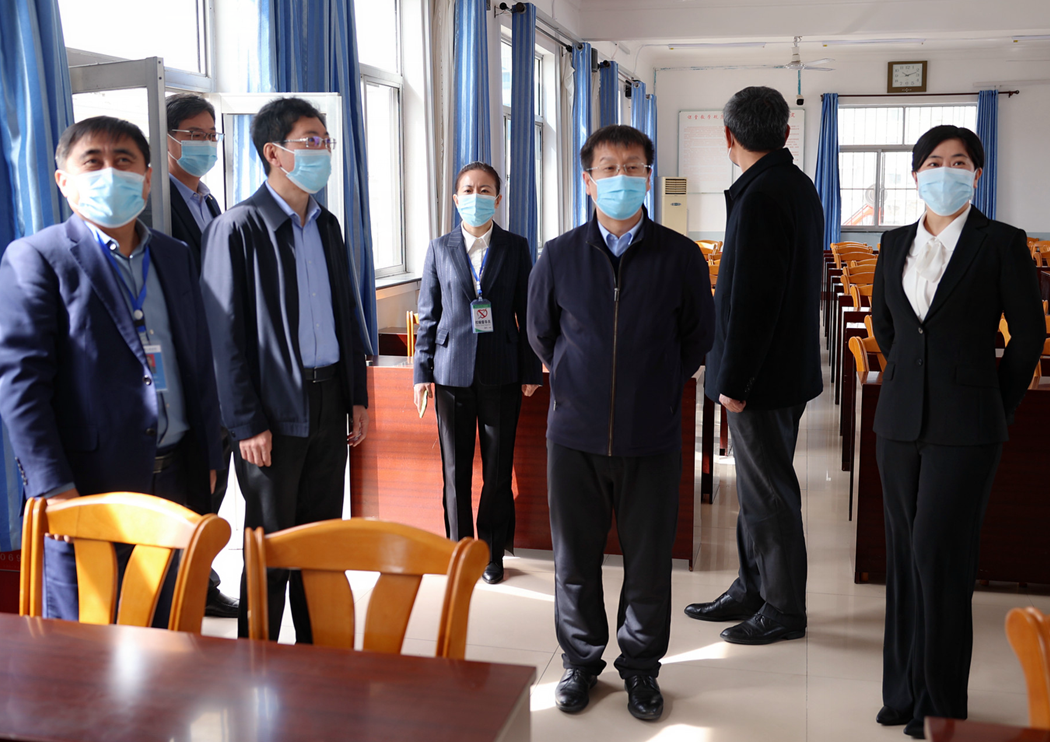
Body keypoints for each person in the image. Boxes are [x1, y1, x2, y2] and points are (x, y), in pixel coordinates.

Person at [0, 116, 224, 624]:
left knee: (170, 636)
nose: (109, 172)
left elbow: (197, 361)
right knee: (90, 647)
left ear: (146, 178)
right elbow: (22, 389)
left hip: (177, 482)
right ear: (64, 181)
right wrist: (54, 489)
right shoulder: (37, 258)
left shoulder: (174, 255)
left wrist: (209, 456)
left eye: (123, 161)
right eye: (92, 162)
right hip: (88, 490)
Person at [527, 124, 714, 722]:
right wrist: (577, 381)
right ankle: (580, 662)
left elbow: (698, 337)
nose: (622, 178)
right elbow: (540, 333)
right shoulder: (558, 255)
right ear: (588, 181)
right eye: (609, 168)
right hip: (573, 437)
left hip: (651, 436)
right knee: (574, 562)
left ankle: (640, 667)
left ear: (648, 178)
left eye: (634, 168)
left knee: (649, 563)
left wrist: (657, 385)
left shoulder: (680, 256)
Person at [870, 125, 1043, 739]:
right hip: (898, 422)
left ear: (977, 174)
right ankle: (901, 692)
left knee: (939, 557)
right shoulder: (894, 243)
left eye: (960, 161)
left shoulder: (1001, 242)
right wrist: (909, 378)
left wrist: (995, 403)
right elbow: (887, 326)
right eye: (935, 162)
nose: (947, 171)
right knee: (902, 556)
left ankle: (939, 703)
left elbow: (1028, 336)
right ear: (916, 174)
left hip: (967, 427)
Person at [200, 97, 370, 643]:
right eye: (311, 141)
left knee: (320, 547)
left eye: (326, 141)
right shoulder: (237, 228)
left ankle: (316, 662)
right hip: (271, 413)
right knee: (271, 546)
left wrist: (357, 396)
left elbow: (348, 315)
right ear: (274, 152)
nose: (323, 151)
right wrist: (245, 422)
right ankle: (259, 664)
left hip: (329, 402)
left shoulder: (328, 225)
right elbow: (222, 338)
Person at [684, 86, 823, 646]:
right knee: (756, 489)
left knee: (769, 495)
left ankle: (784, 608)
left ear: (728, 136)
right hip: (781, 370)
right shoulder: (792, 184)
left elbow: (753, 302)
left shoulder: (763, 194)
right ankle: (751, 587)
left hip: (761, 378)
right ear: (786, 133)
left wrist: (735, 380)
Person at [413, 162, 542, 584]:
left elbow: (528, 313)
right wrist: (421, 373)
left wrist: (531, 369)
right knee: (455, 470)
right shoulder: (439, 248)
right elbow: (429, 316)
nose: (475, 197)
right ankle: (458, 550)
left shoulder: (516, 247)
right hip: (450, 374)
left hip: (502, 372)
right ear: (456, 199)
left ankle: (491, 553)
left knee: (498, 471)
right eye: (467, 190)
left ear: (497, 199)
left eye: (484, 190)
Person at [165, 92, 239, 619]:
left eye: (211, 135)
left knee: (215, 484)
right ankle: (179, 589)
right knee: (188, 487)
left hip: (220, 369)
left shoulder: (210, 202)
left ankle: (202, 582)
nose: (205, 144)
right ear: (167, 139)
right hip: (182, 369)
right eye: (194, 135)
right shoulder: (157, 204)